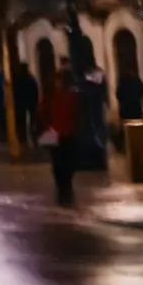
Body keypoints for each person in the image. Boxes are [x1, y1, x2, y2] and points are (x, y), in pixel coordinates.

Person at [43, 71, 82, 206]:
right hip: (55, 133)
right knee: (58, 162)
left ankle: (65, 183)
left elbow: (76, 114)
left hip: (68, 133)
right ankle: (62, 185)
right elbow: (44, 112)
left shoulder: (71, 96)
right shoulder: (51, 96)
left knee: (68, 161)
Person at [12, 61, 39, 147]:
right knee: (32, 120)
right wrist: (36, 101)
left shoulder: (17, 79)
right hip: (30, 102)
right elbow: (35, 90)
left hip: (20, 103)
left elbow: (14, 92)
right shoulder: (30, 78)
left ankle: (22, 139)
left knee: (21, 121)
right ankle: (33, 136)